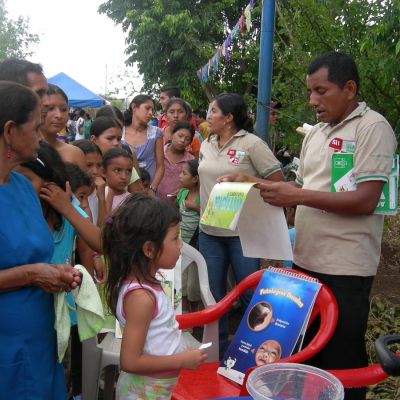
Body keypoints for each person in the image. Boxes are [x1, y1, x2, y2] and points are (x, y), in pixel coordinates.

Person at [249, 52, 397, 400]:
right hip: (305, 264)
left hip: (345, 268)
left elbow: (365, 200)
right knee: (307, 357)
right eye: (310, 92)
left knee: (342, 364)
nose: (312, 101)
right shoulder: (315, 134)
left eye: (321, 91)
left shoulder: (372, 127)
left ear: (349, 89)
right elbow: (301, 192)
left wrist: (296, 196)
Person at [0, 81, 82, 399]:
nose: (41, 136)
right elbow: (28, 267)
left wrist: (56, 273)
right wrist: (33, 274)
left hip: (38, 334)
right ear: (9, 131)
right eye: (35, 128)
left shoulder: (21, 186)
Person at [199, 92, 283, 356]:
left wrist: (246, 178)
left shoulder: (253, 144)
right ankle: (217, 353)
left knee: (250, 295)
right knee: (213, 296)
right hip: (209, 232)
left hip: (242, 233)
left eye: (213, 111)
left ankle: (258, 352)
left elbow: (279, 183)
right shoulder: (206, 143)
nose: (208, 116)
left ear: (229, 118)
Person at [103, 193, 207, 399]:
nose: (181, 244)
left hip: (156, 386)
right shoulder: (141, 297)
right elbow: (130, 361)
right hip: (144, 390)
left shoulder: (148, 284)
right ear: (149, 249)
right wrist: (181, 360)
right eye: (175, 238)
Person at [95, 106, 143, 193]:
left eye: (119, 127)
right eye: (110, 138)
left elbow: (138, 191)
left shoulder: (128, 153)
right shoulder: (84, 156)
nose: (116, 143)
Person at [123, 94, 164, 194]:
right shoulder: (120, 133)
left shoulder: (156, 133)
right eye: (147, 108)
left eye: (152, 110)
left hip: (149, 190)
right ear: (134, 107)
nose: (150, 113)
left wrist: (152, 188)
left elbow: (160, 166)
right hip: (125, 191)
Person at [40, 84, 87, 172]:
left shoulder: (75, 153)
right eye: (50, 108)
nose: (59, 115)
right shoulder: (22, 153)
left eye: (64, 109)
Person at [177, 159, 201, 311]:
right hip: (181, 244)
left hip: (196, 246)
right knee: (182, 281)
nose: (180, 176)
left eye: (184, 173)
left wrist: (194, 207)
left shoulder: (203, 195)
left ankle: (196, 309)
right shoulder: (182, 193)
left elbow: (207, 214)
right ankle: (186, 313)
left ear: (195, 178)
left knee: (194, 284)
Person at [157, 121, 195, 203]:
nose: (182, 140)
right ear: (172, 134)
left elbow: (193, 184)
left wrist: (183, 191)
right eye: (180, 136)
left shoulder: (191, 160)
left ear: (190, 142)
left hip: (176, 206)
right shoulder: (159, 153)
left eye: (187, 139)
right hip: (155, 201)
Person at [72, 139, 106, 226]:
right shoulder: (67, 195)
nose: (95, 171)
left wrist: (101, 199)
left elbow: (102, 233)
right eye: (89, 165)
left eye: (99, 165)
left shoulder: (105, 192)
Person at [102, 147, 133, 214]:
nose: (124, 177)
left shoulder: (131, 201)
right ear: (104, 172)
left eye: (128, 171)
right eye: (117, 170)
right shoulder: (98, 197)